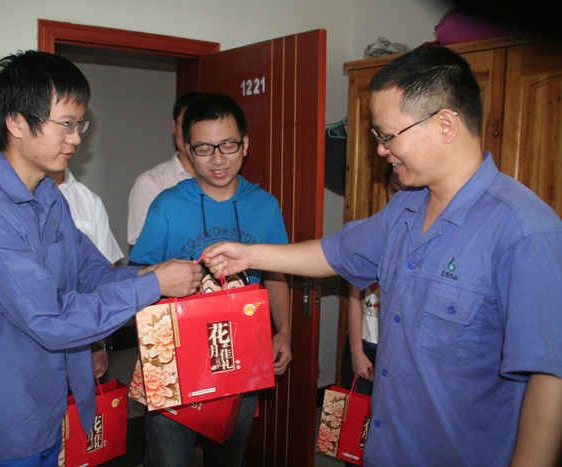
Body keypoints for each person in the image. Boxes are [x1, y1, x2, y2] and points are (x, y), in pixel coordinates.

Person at [203, 46, 562, 466]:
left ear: (445, 125)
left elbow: (549, 380)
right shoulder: (405, 207)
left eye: (388, 136)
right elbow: (334, 253)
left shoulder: (523, 230)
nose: (380, 151)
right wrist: (247, 255)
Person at [0, 50, 202, 466]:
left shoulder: (48, 195)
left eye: (80, 125)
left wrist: (153, 273)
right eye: (66, 124)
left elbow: (90, 272)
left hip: (46, 407)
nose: (76, 138)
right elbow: (51, 319)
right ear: (16, 122)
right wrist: (154, 285)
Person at [129, 93, 292, 466]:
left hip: (242, 357)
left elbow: (276, 276)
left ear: (245, 144)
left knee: (228, 459)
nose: (217, 159)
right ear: (188, 151)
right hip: (176, 363)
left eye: (228, 145)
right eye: (204, 148)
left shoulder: (265, 206)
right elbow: (136, 279)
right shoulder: (167, 205)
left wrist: (283, 331)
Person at [48, 167, 124, 378]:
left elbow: (106, 276)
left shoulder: (88, 199)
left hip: (86, 339)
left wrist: (101, 343)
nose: (71, 149)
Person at [341, 165, 402, 396]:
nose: (401, 198)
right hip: (363, 343)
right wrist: (357, 350)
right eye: (395, 190)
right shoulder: (369, 234)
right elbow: (353, 297)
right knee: (356, 414)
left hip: (398, 351)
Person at [127, 91, 204, 246]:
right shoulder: (150, 184)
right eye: (186, 124)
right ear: (174, 126)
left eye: (200, 125)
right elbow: (144, 251)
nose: (192, 134)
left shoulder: (224, 180)